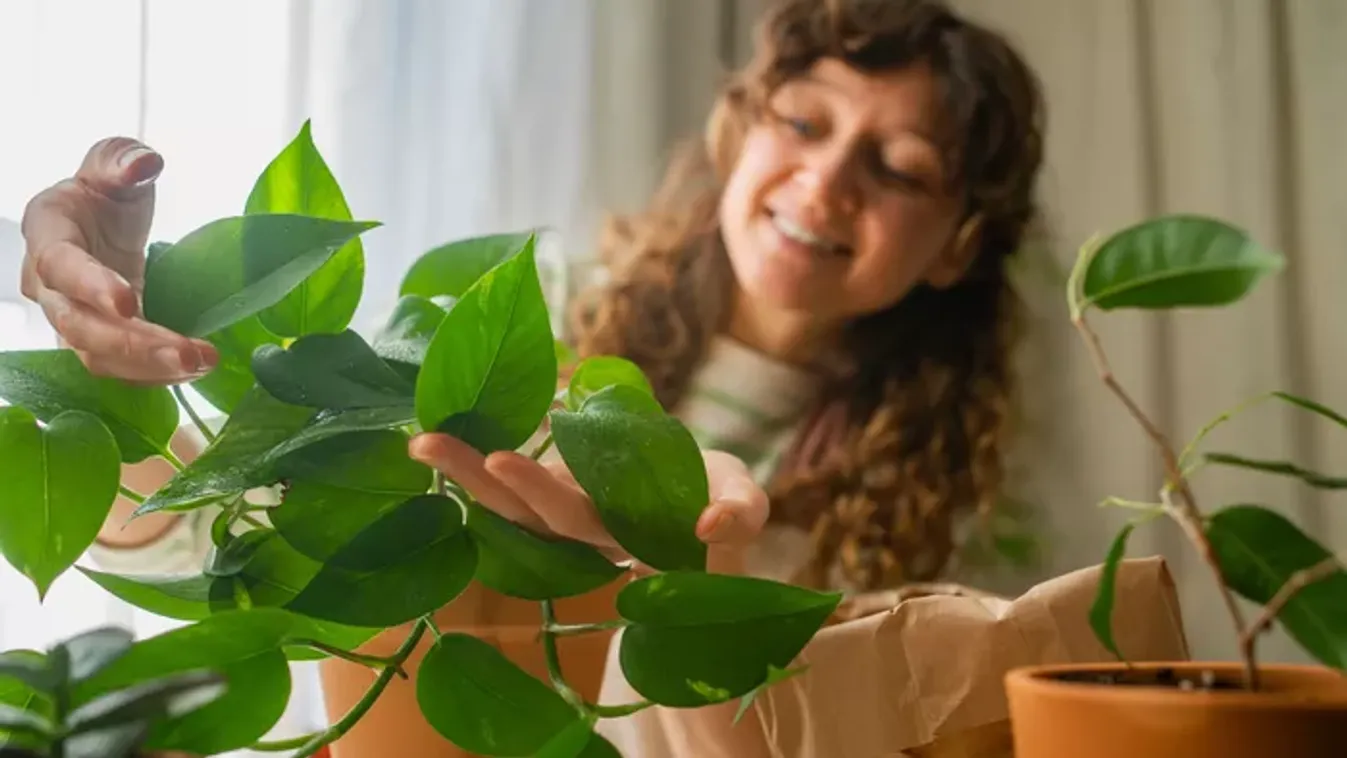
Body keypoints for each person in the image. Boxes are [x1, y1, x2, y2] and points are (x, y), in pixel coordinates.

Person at [17, 0, 1045, 755]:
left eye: (899, 166)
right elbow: (242, 546)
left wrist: (673, 578)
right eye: (806, 123)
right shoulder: (532, 320)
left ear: (959, 242)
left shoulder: (974, 499)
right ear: (743, 126)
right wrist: (120, 346)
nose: (826, 182)